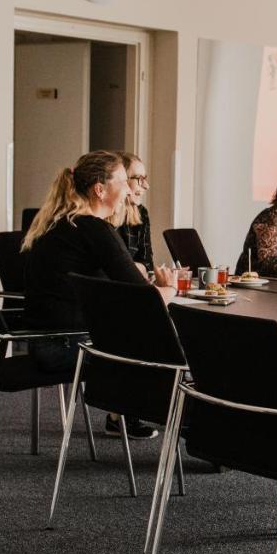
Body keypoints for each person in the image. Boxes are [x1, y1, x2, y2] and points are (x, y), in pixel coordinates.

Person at [22, 152, 173, 441]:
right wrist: (170, 289)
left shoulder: (62, 224)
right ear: (99, 190)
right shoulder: (94, 229)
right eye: (124, 182)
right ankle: (193, 425)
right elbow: (145, 299)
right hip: (72, 346)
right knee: (170, 346)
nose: (130, 189)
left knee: (146, 334)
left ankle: (126, 415)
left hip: (47, 341)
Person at [113, 150, 154, 276]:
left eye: (145, 178)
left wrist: (127, 267)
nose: (146, 186)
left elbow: (148, 265)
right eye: (139, 179)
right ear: (122, 180)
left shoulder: (142, 213)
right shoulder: (98, 219)